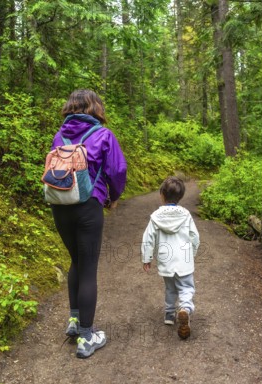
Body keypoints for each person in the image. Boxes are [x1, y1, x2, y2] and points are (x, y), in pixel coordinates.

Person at [50, 89, 127, 358]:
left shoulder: (60, 136)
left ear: (70, 107)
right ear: (95, 108)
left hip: (60, 206)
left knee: (76, 261)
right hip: (88, 207)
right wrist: (113, 197)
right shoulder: (103, 135)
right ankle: (87, 337)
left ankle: (74, 321)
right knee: (88, 269)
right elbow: (117, 170)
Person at [141, 176, 200, 339]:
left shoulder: (155, 217)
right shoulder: (186, 215)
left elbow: (148, 238)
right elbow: (195, 236)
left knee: (170, 288)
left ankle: (169, 315)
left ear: (162, 195)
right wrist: (192, 253)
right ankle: (185, 309)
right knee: (187, 287)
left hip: (166, 261)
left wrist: (147, 258)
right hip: (184, 261)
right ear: (180, 197)